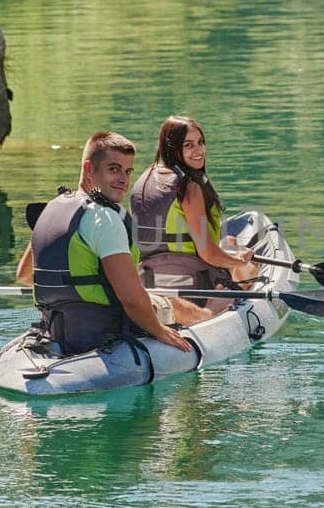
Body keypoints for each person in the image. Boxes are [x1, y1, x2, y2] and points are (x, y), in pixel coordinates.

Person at [14, 131, 206, 356]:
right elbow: (131, 300)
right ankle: (212, 319)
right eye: (113, 169)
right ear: (88, 169)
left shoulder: (52, 210)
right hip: (105, 326)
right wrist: (161, 332)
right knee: (178, 307)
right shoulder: (104, 218)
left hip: (58, 327)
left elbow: (26, 275)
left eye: (128, 171)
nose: (124, 179)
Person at [131, 116, 258, 308]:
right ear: (173, 147)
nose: (199, 151)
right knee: (248, 266)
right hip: (197, 285)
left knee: (230, 242)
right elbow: (208, 254)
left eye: (200, 143)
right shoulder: (188, 187)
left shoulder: (143, 180)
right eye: (188, 145)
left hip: (151, 281)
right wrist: (240, 261)